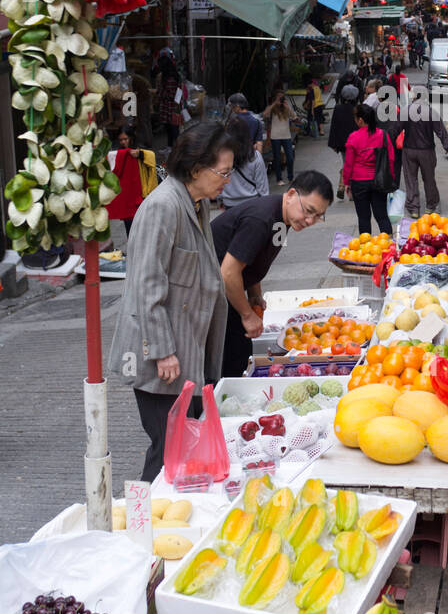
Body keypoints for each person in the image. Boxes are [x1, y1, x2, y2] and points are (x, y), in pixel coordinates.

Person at [107, 121, 234, 481]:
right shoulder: (163, 206)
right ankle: (140, 521)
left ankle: (161, 521)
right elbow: (147, 282)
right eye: (223, 172)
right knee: (167, 449)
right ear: (196, 169)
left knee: (181, 446)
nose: (227, 180)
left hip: (185, 351)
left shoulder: (195, 203)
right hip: (161, 358)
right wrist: (162, 350)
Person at [213, 170, 333, 377]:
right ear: (291, 194)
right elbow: (228, 273)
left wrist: (255, 294)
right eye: (308, 210)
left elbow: (253, 259)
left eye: (318, 216)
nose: (310, 221)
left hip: (229, 292)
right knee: (230, 361)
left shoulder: (283, 219)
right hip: (214, 295)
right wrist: (247, 314)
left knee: (241, 354)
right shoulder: (261, 219)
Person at [399, 91, 448, 219]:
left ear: (413, 97)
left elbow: (395, 129)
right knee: (429, 178)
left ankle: (414, 209)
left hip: (409, 150)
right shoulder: (431, 112)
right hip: (427, 151)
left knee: (411, 179)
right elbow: (441, 132)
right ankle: (431, 206)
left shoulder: (405, 111)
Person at [344, 102, 395, 236]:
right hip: (379, 180)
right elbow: (391, 158)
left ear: (360, 120)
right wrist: (392, 179)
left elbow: (348, 164)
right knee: (382, 215)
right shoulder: (383, 134)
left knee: (363, 217)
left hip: (359, 182)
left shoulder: (353, 137)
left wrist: (346, 183)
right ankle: (389, 245)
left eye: (355, 117)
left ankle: (366, 249)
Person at [109, 126, 157, 237]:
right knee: (130, 230)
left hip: (142, 194)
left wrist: (140, 154)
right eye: (121, 140)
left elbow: (152, 157)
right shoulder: (120, 153)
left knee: (144, 227)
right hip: (128, 198)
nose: (123, 142)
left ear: (131, 138)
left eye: (125, 139)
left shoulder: (139, 149)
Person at [221, 113, 269, 208]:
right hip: (251, 205)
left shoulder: (221, 156)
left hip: (229, 204)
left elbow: (217, 180)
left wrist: (220, 200)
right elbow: (263, 187)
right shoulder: (254, 156)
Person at [327, 83, 360, 199]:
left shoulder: (338, 108)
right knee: (352, 164)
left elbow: (334, 126)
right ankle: (347, 189)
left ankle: (343, 186)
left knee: (347, 162)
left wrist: (333, 143)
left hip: (342, 143)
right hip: (356, 142)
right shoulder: (357, 109)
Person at [262, 89, 295, 185]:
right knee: (277, 158)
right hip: (275, 136)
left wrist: (287, 106)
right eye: (278, 96)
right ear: (275, 97)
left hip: (286, 136)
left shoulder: (286, 108)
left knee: (290, 157)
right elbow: (265, 114)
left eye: (282, 96)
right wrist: (274, 104)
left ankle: (290, 177)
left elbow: (294, 116)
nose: (280, 98)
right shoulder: (272, 108)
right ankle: (279, 179)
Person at [155, 53, 184, 147]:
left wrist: (159, 93)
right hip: (169, 106)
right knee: (170, 128)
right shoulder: (169, 76)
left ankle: (176, 148)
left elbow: (171, 94)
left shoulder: (170, 78)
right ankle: (170, 147)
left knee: (173, 128)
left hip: (171, 107)